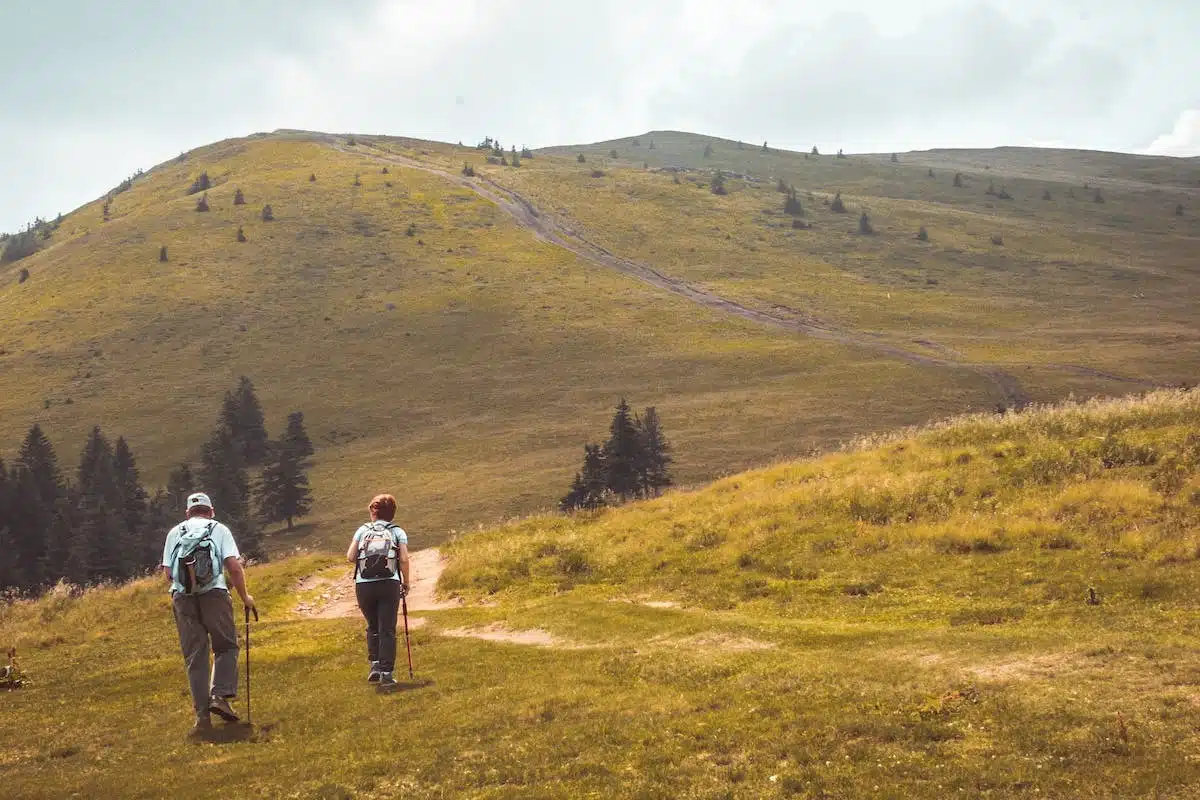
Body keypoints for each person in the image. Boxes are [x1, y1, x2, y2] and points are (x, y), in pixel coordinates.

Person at [162, 492, 257, 735]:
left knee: (195, 656)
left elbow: (168, 574)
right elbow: (234, 566)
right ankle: (219, 696)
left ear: (187, 513)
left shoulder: (175, 532)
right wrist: (244, 596)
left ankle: (202, 719)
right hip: (214, 593)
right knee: (225, 646)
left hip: (182, 597)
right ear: (211, 511)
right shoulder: (219, 529)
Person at [346, 494, 410, 690]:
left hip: (364, 585)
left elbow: (350, 557)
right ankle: (386, 673)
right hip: (389, 583)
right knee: (387, 629)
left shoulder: (362, 530)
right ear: (392, 513)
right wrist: (406, 582)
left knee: (372, 625)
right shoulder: (397, 531)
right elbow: (404, 558)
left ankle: (374, 666)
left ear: (372, 511)